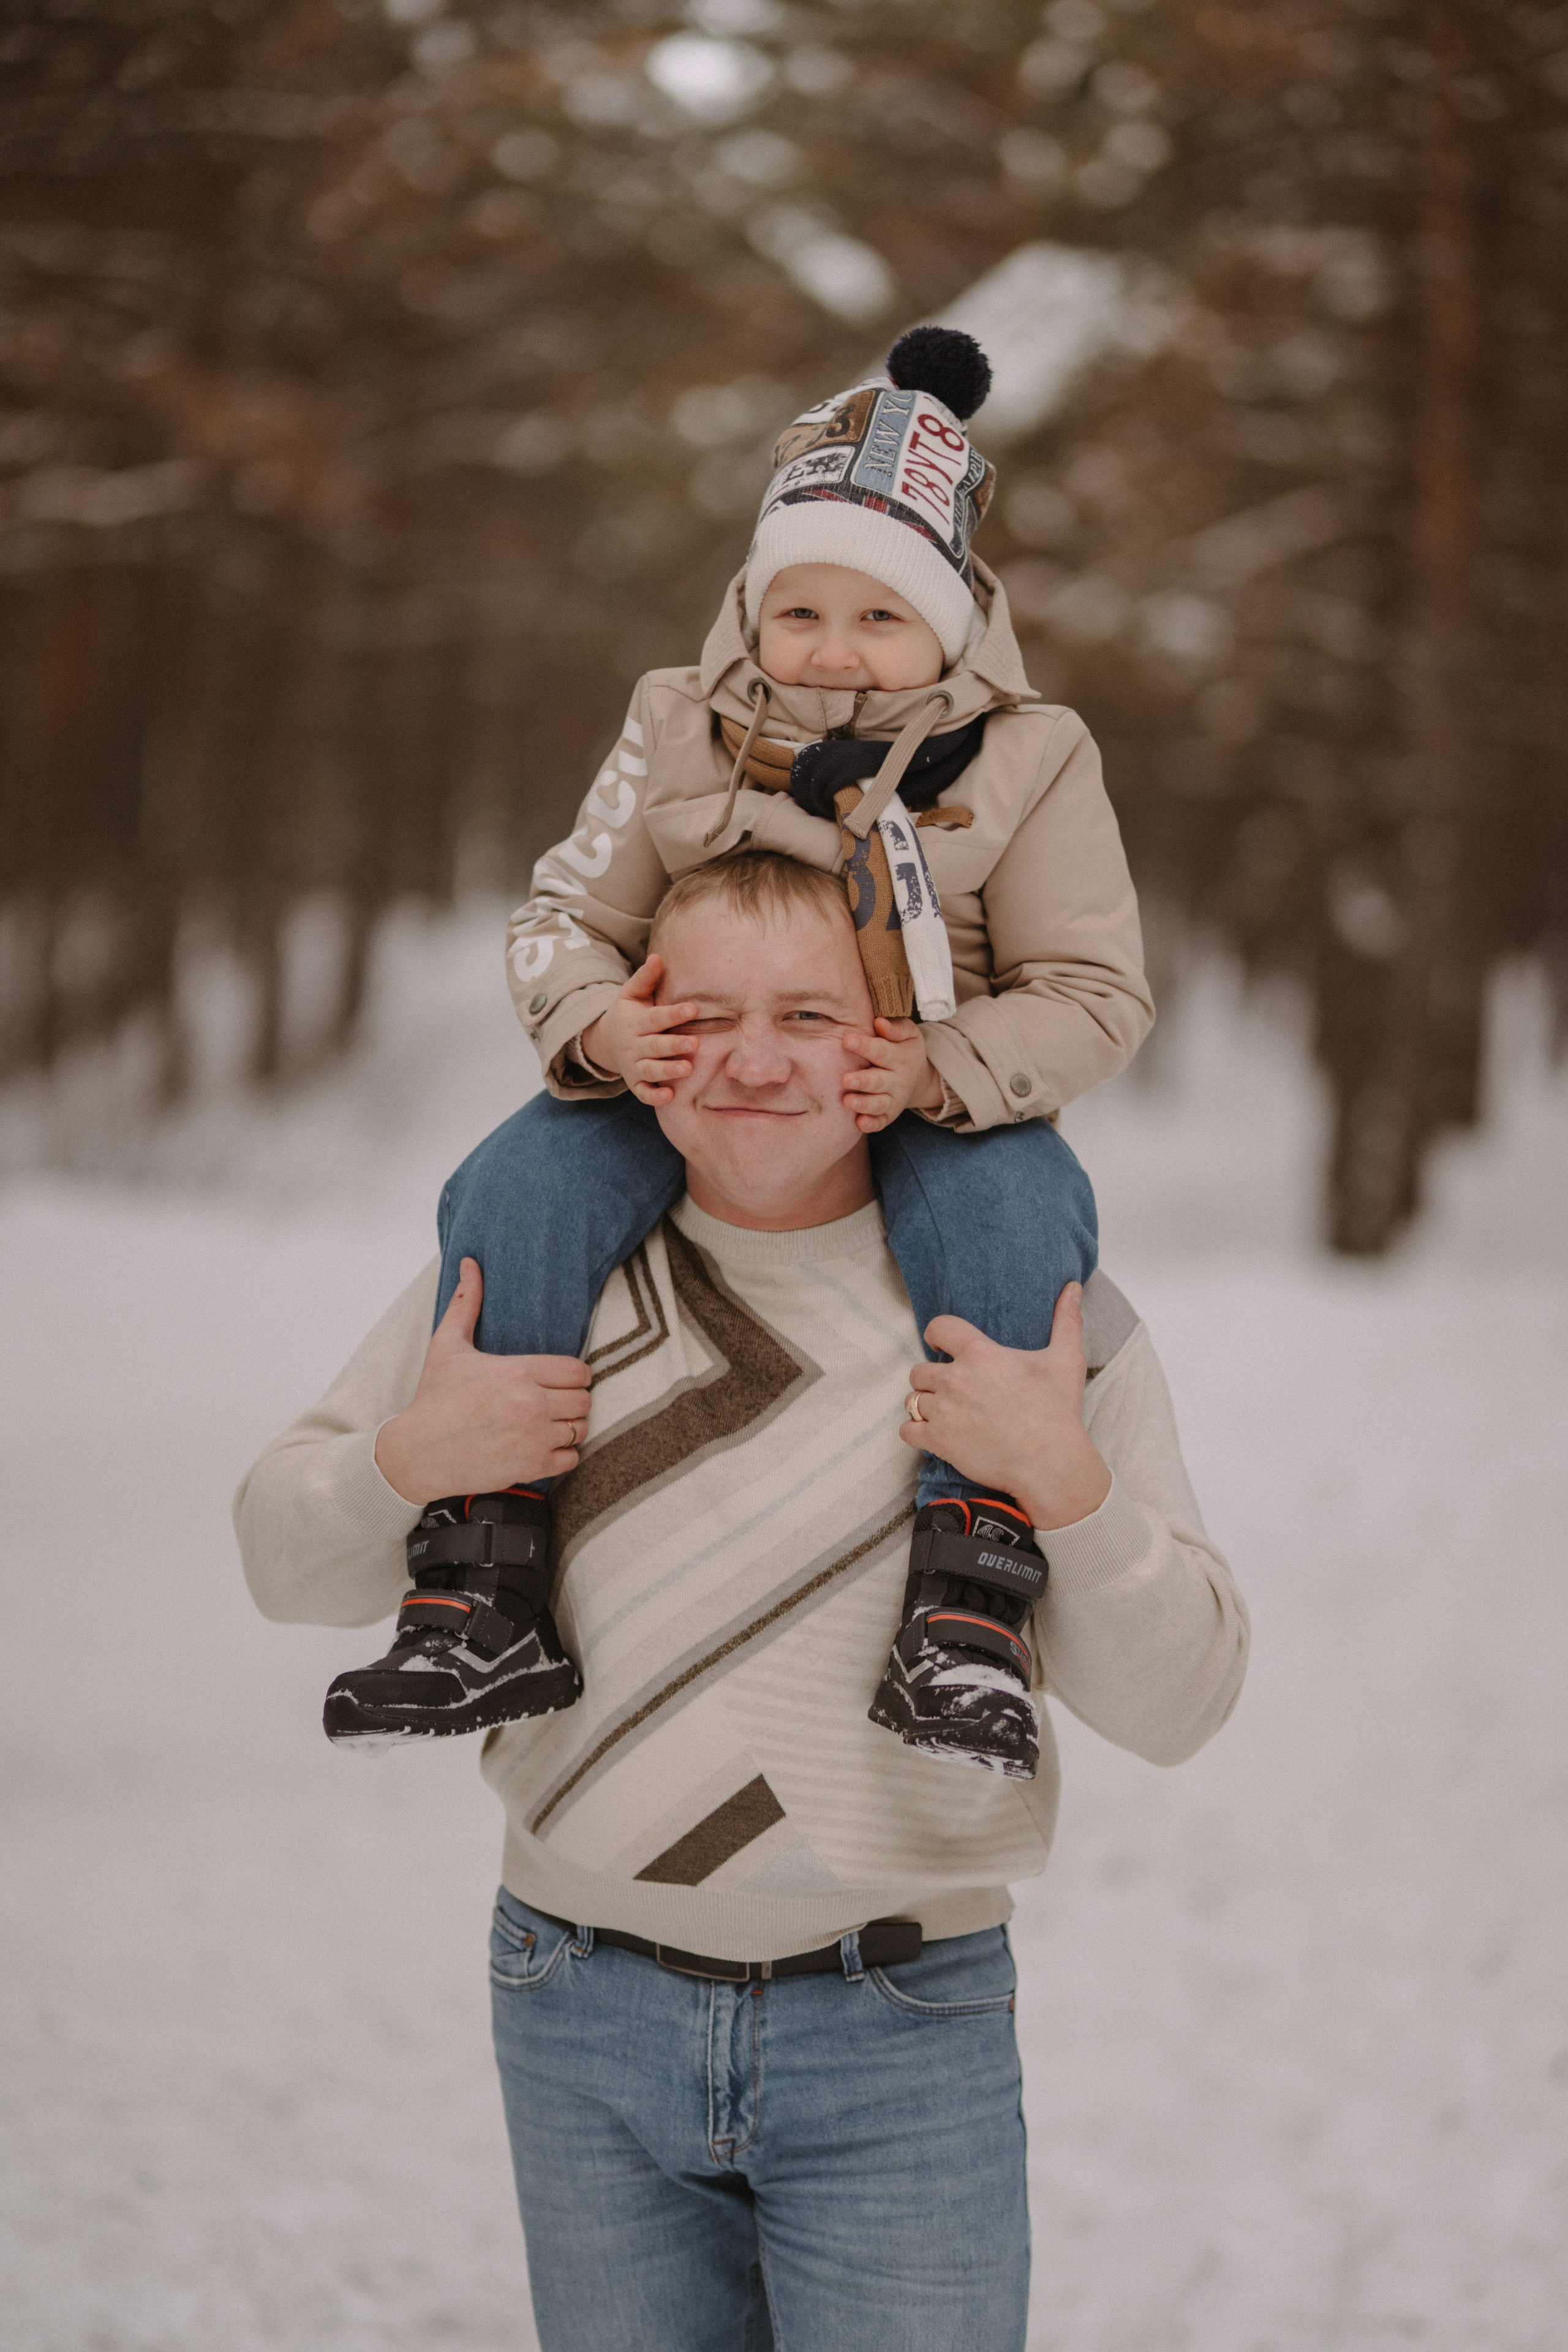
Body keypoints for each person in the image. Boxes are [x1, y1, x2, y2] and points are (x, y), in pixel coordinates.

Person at [236, 856, 1246, 2352]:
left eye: (808, 1015)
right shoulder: (531, 1270)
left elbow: (1183, 1703)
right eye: (696, 1013)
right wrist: (412, 1460)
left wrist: (1065, 1485)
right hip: (576, 2002)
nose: (752, 1060)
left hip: (901, 2030)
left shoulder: (1028, 1304)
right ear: (628, 1022)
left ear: (896, 1032)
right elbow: (278, 1558)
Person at [321, 324, 1154, 1779]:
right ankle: (486, 1561)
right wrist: (601, 1022)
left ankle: (969, 1590)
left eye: (879, 618)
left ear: (951, 623)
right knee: (517, 1184)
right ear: (750, 607)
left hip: (927, 1079)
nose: (833, 651)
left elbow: (1093, 990)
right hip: (699, 1070)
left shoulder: (1031, 755)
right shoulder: (676, 719)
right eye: (801, 610)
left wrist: (943, 1074)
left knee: (1020, 1215)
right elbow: (562, 914)